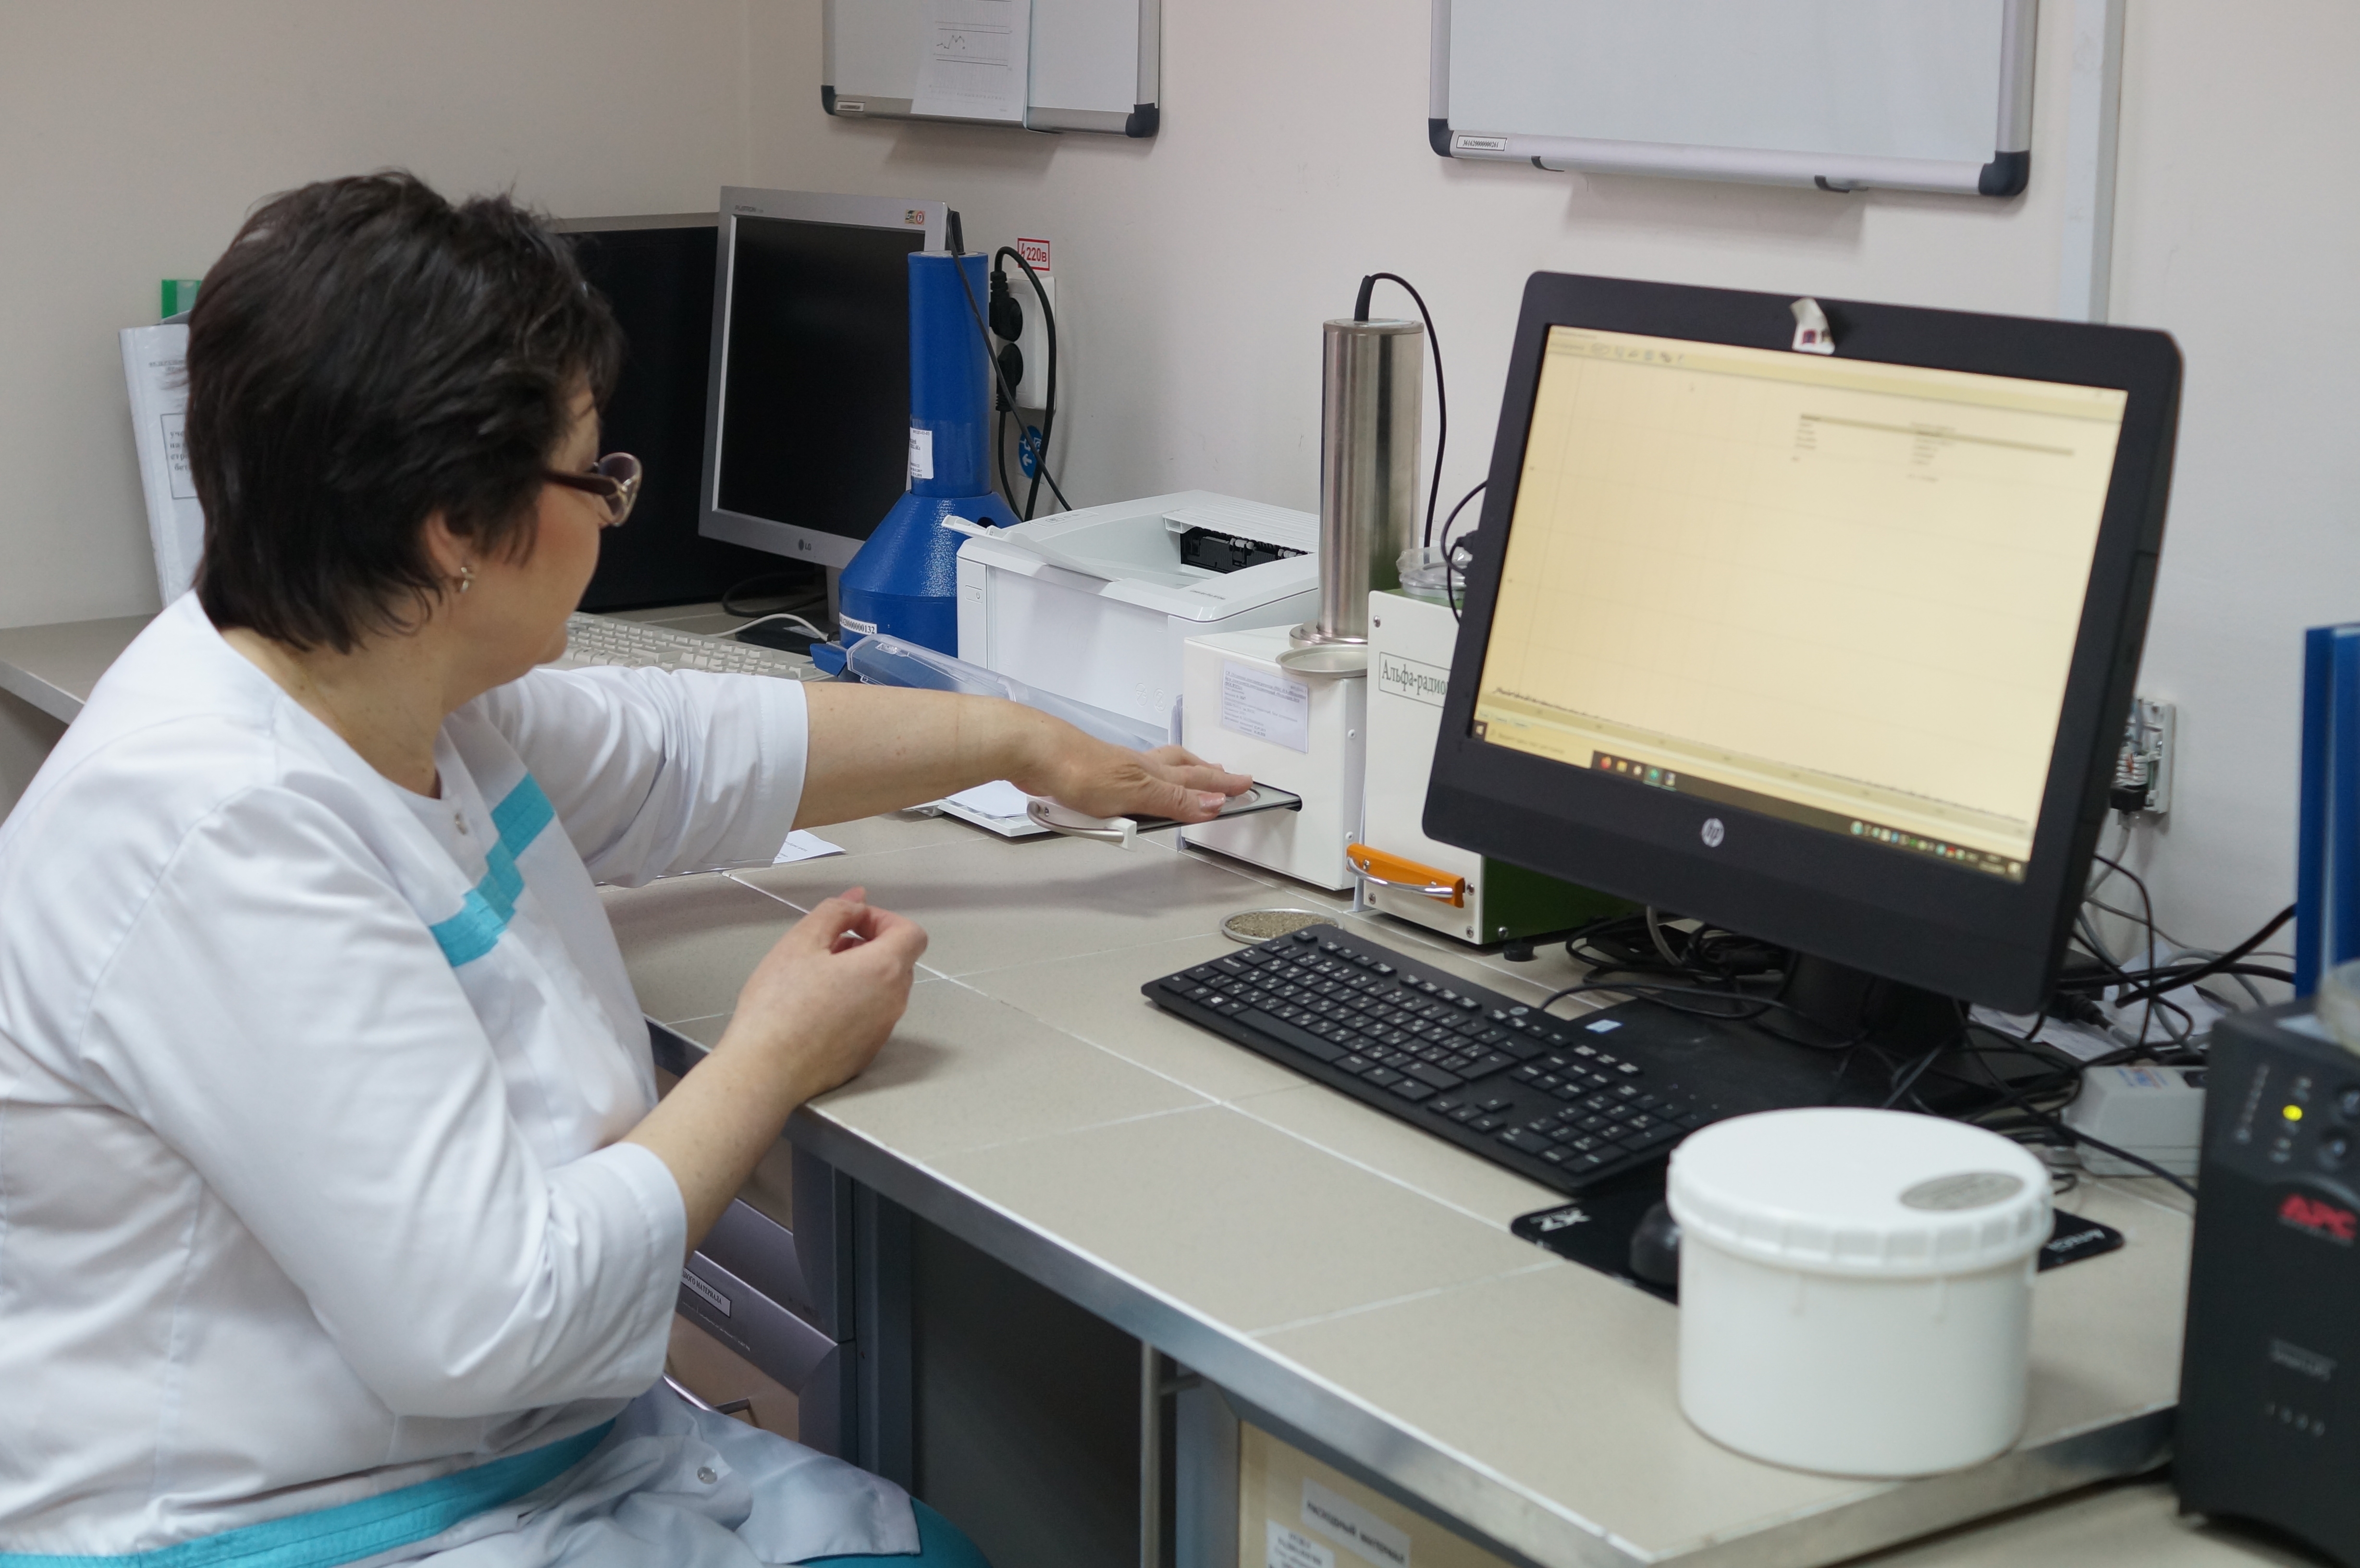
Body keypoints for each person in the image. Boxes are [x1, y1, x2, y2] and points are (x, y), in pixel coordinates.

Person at [0, 172, 1248, 1568]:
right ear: (450, 528)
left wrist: (1020, 741)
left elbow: (687, 748)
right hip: (285, 1524)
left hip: (486, 1457)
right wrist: (769, 1059)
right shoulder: (216, 829)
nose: (612, 512)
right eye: (593, 475)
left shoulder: (368, 676)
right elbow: (491, 1324)